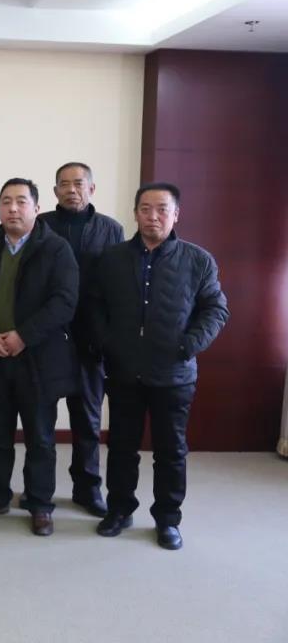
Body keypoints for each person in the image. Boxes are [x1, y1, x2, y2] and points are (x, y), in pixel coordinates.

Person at [91, 183, 228, 550]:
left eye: (162, 209)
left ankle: (168, 519)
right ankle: (119, 510)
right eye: (145, 209)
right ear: (135, 213)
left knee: (171, 451)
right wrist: (107, 342)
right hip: (124, 371)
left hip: (174, 374)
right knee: (121, 447)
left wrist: (189, 345)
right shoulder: (112, 259)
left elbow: (216, 309)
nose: (153, 216)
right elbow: (95, 305)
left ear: (176, 214)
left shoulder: (198, 260)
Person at [0, 178, 78, 536]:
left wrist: (24, 335)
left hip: (38, 360)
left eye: (21, 201)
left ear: (37, 208)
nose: (13, 208)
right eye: (6, 201)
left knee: (40, 437)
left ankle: (40, 503)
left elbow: (64, 301)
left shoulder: (56, 249)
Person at [39, 162, 124, 517]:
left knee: (87, 419)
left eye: (78, 183)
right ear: (55, 191)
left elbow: (117, 286)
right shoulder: (41, 224)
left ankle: (87, 489)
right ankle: (39, 492)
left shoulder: (110, 229)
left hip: (90, 339)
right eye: (64, 184)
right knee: (41, 421)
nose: (71, 190)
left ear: (92, 188)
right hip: (47, 338)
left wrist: (108, 336)